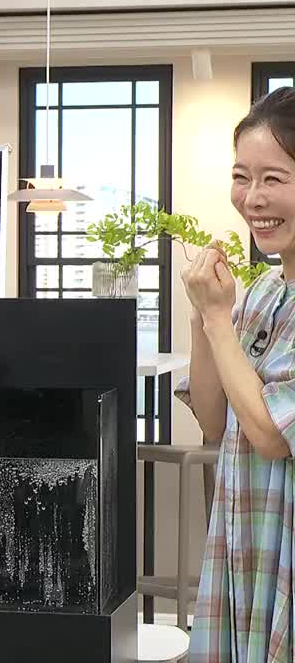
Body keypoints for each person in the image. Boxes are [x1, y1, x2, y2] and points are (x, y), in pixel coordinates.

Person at [177, 86, 295, 662]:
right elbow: (213, 416)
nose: (252, 199)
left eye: (274, 179)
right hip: (245, 543)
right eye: (242, 177)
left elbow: (273, 436)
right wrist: (204, 319)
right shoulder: (263, 293)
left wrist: (221, 318)